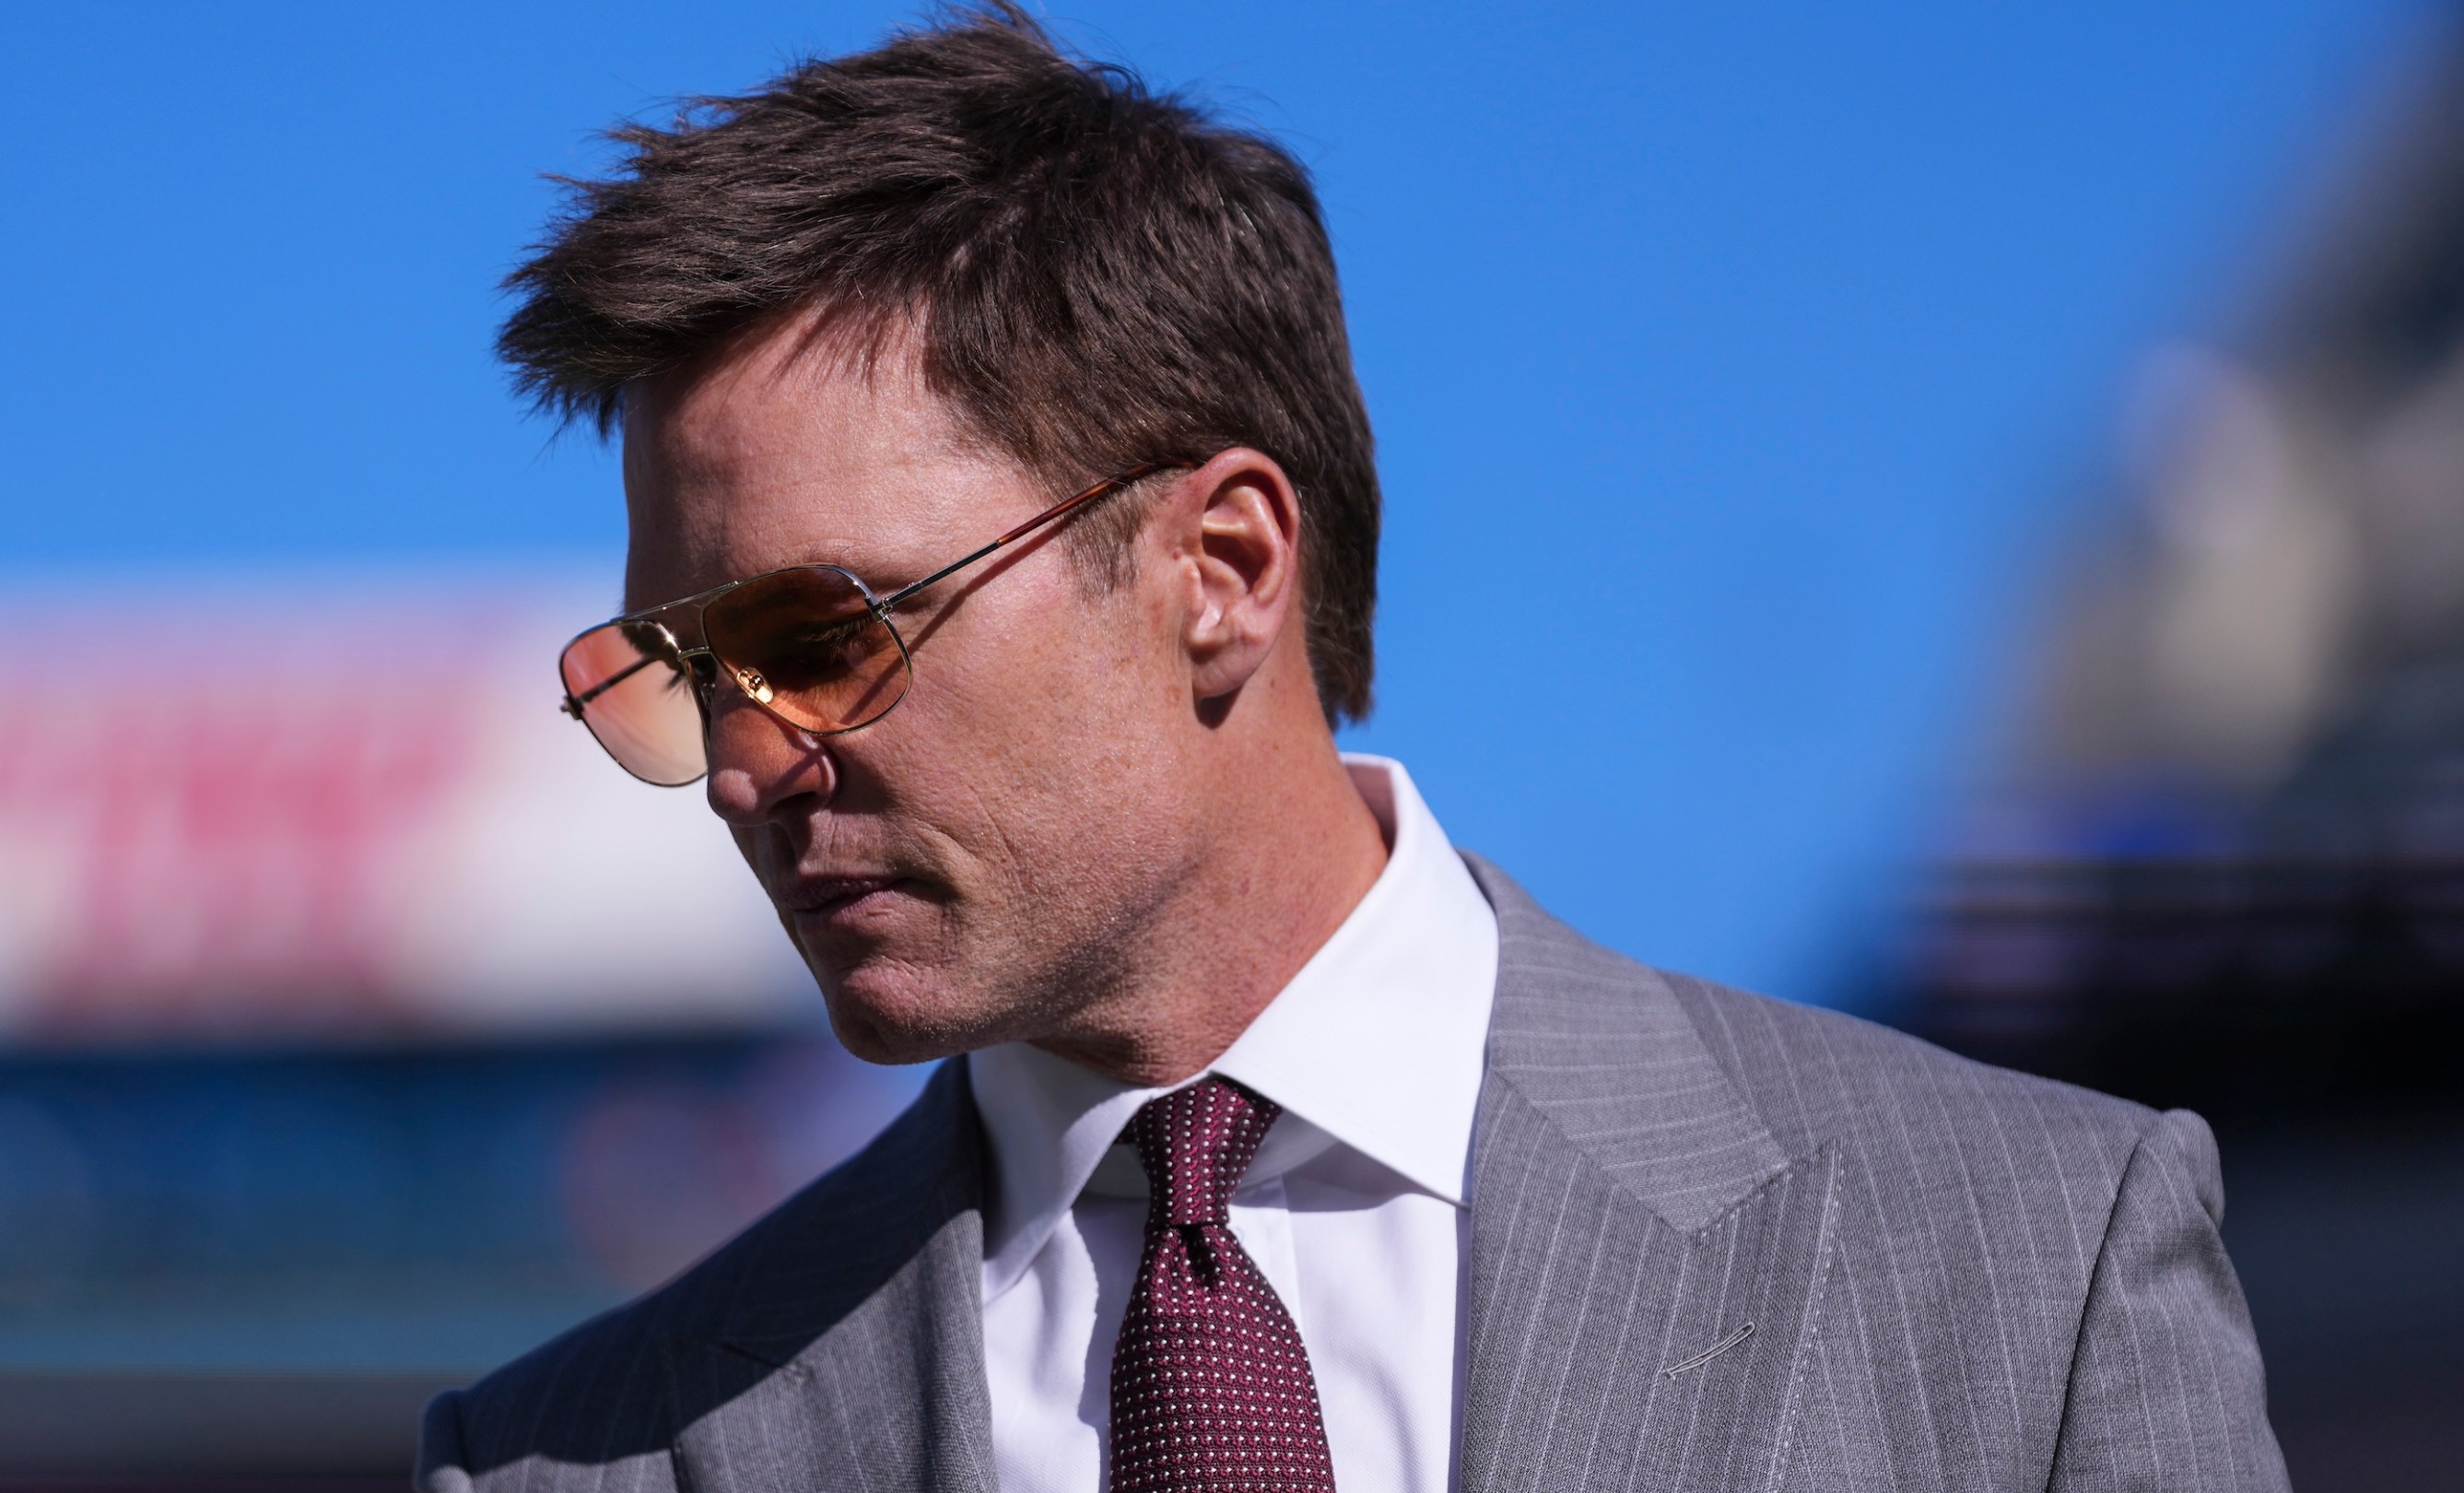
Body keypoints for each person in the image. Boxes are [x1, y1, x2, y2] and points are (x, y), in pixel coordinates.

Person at [419, 7, 2290, 1489]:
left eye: (823, 641)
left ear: (1222, 569)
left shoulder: (2026, 1263)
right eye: (678, 674)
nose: (749, 770)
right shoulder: (585, 1460)